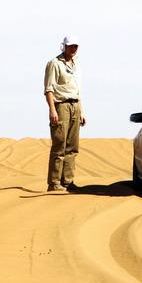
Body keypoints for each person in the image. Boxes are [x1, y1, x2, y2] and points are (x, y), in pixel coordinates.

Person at [44, 35, 87, 191]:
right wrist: (52, 109)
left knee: (72, 147)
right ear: (63, 46)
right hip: (61, 105)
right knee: (59, 145)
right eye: (70, 46)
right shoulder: (54, 64)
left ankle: (68, 181)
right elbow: (49, 89)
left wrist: (82, 111)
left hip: (75, 105)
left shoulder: (77, 66)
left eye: (75, 46)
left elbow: (77, 91)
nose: (73, 49)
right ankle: (54, 183)